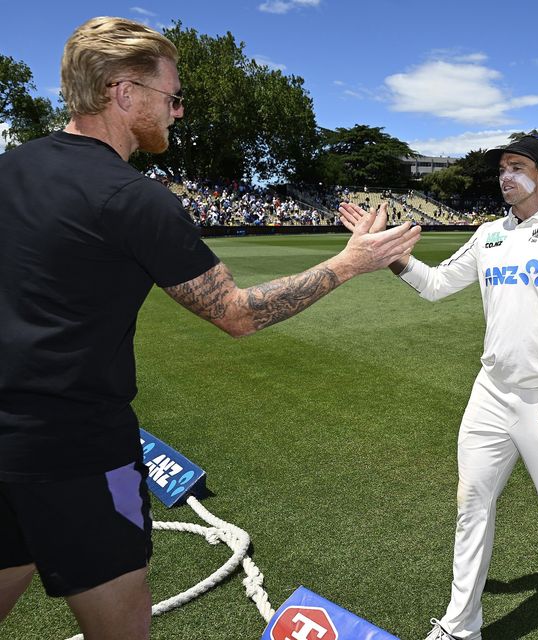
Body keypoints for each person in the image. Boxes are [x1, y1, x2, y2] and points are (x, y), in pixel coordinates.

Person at [0, 17, 420, 640]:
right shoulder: (133, 197)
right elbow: (238, 314)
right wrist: (350, 262)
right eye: (171, 98)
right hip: (79, 451)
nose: (177, 113)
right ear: (124, 92)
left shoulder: (10, 169)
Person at [343, 135, 538, 639]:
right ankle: (460, 626)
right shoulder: (490, 234)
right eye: (502, 169)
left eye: (517, 166)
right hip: (491, 392)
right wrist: (389, 257)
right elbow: (438, 283)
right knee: (473, 500)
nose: (506, 176)